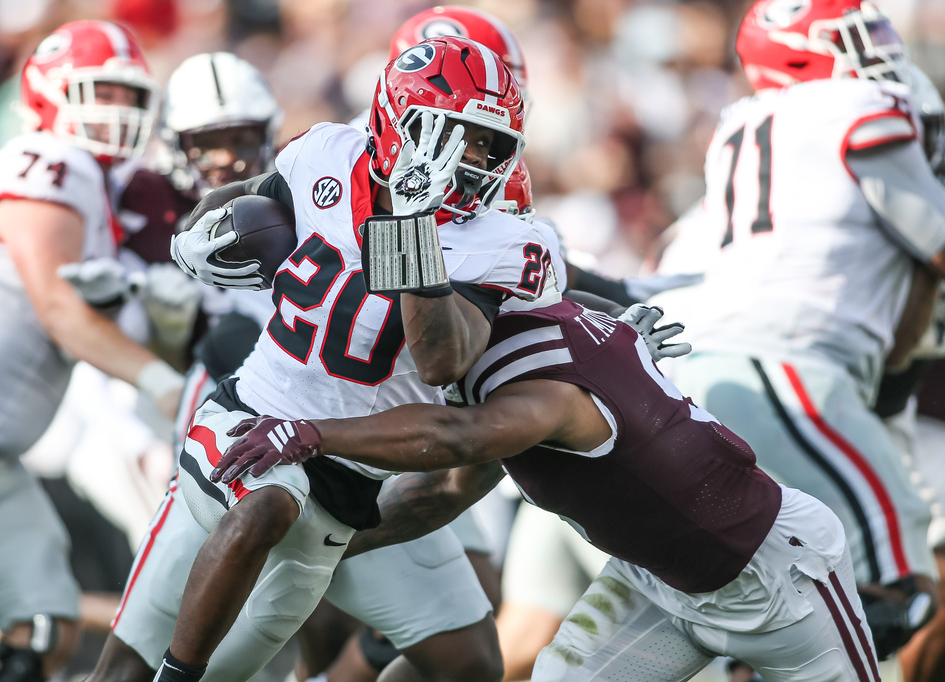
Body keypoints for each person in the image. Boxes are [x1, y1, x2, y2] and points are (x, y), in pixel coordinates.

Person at [91, 35, 554, 682]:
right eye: (457, 136)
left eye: (488, 143)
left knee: (471, 663)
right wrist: (200, 235)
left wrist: (408, 226)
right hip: (256, 419)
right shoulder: (324, 155)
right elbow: (242, 205)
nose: (475, 159)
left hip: (361, 476)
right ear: (400, 125)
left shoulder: (499, 236)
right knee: (251, 528)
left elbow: (442, 359)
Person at [211, 294, 881, 682]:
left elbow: (456, 440)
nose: (408, 340)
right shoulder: (527, 342)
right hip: (653, 580)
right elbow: (441, 490)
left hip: (771, 577)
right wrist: (315, 546)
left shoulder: (537, 386)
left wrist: (315, 431)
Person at [653, 0, 945, 660]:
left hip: (706, 375)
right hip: (788, 371)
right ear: (796, 52)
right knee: (905, 582)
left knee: (774, 591)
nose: (878, 56)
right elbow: (937, 244)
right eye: (856, 41)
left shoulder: (737, 123)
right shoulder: (861, 111)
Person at [0, 20, 184, 682]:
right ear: (47, 95)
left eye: (128, 97)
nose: (116, 111)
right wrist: (162, 381)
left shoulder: (103, 196)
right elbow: (58, 308)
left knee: (44, 627)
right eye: (99, 91)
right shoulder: (46, 161)